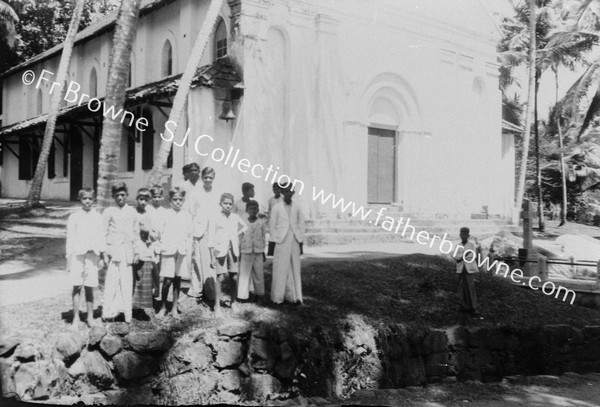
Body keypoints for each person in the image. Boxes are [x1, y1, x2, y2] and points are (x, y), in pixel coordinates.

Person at [66, 188, 105, 330]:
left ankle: (90, 317)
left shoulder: (98, 217)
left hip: (92, 255)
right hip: (77, 256)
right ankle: (75, 318)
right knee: (76, 286)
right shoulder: (74, 217)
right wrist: (69, 258)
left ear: (94, 200)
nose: (87, 201)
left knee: (90, 286)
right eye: (84, 199)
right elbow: (70, 239)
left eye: (90, 198)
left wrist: (100, 256)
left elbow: (101, 238)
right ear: (80, 200)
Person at [103, 182, 138, 323]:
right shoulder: (109, 212)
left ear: (126, 195)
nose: (120, 198)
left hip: (128, 253)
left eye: (122, 195)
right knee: (112, 282)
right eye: (117, 195)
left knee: (126, 283)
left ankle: (127, 315)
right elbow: (103, 233)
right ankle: (108, 313)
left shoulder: (132, 211)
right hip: (114, 252)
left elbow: (136, 233)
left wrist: (137, 253)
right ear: (113, 197)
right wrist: (105, 252)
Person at [208, 192, 247, 316]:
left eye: (230, 204)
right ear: (220, 204)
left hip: (233, 250)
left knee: (234, 277)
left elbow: (245, 227)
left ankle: (233, 302)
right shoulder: (215, 217)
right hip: (220, 250)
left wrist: (238, 235)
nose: (228, 206)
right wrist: (212, 256)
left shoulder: (235, 217)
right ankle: (217, 306)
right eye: (225, 203)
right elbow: (210, 238)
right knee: (220, 277)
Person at [157, 187, 193, 319]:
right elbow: (160, 232)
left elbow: (189, 234)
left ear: (183, 201)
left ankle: (174, 308)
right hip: (168, 250)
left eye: (180, 200)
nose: (178, 202)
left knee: (178, 279)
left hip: (181, 250)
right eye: (175, 200)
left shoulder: (187, 216)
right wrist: (162, 247)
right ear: (170, 200)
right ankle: (163, 306)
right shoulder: (165, 214)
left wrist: (187, 250)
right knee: (167, 280)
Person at [270, 182, 305, 304]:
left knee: (295, 267)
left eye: (291, 191)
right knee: (280, 267)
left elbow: (301, 224)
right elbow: (272, 226)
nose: (288, 193)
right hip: (281, 240)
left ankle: (295, 297)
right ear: (282, 192)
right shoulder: (276, 208)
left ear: (293, 192)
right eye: (286, 191)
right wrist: (275, 239)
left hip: (294, 239)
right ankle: (277, 297)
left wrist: (300, 241)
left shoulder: (298, 207)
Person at [188, 167, 221, 300]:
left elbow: (219, 210)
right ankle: (197, 289)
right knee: (197, 258)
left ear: (213, 178)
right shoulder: (196, 192)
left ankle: (210, 289)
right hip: (199, 227)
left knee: (211, 258)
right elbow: (191, 210)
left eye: (210, 178)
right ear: (202, 178)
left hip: (212, 228)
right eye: (206, 177)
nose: (208, 180)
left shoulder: (217, 192)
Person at [238, 200, 267, 303]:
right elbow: (240, 237)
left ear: (258, 210)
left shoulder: (261, 222)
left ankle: (259, 294)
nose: (253, 211)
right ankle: (242, 295)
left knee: (258, 273)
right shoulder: (243, 222)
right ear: (247, 210)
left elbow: (264, 237)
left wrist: (263, 251)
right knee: (244, 274)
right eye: (251, 209)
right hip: (246, 250)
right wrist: (239, 250)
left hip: (258, 251)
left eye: (255, 209)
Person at [452, 227, 480, 314]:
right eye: (462, 234)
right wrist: (462, 256)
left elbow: (472, 256)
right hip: (461, 269)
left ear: (468, 235)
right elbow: (455, 256)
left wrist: (462, 257)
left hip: (469, 269)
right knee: (461, 288)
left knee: (470, 288)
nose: (463, 236)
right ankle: (463, 306)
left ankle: (473, 307)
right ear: (460, 235)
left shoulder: (471, 245)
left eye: (465, 234)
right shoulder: (458, 245)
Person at [147, 185, 167, 297]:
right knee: (150, 265)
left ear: (162, 198)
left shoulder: (164, 211)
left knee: (158, 267)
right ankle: (149, 289)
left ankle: (156, 289)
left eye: (159, 197)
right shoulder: (148, 209)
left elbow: (165, 227)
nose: (156, 199)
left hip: (159, 242)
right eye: (154, 196)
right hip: (149, 241)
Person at [265, 182, 282, 256]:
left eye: (278, 189)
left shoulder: (283, 199)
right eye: (274, 189)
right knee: (272, 237)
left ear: (280, 190)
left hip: (281, 222)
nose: (276, 191)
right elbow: (268, 211)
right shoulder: (270, 200)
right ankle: (271, 253)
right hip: (273, 221)